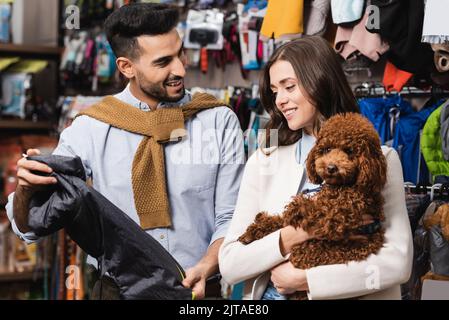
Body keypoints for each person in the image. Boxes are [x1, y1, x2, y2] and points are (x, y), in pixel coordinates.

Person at [6, 3, 245, 299]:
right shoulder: (91, 128)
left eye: (180, 53)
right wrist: (27, 189)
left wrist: (207, 266)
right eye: (163, 62)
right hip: (120, 292)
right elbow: (27, 228)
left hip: (199, 291)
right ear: (126, 67)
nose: (181, 69)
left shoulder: (217, 119)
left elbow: (232, 217)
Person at [219, 36, 413, 300]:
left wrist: (308, 280)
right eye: (275, 91)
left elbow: (398, 263)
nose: (279, 100)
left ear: (321, 80)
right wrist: (295, 234)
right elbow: (230, 264)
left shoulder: (380, 159)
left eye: (289, 87)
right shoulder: (263, 161)